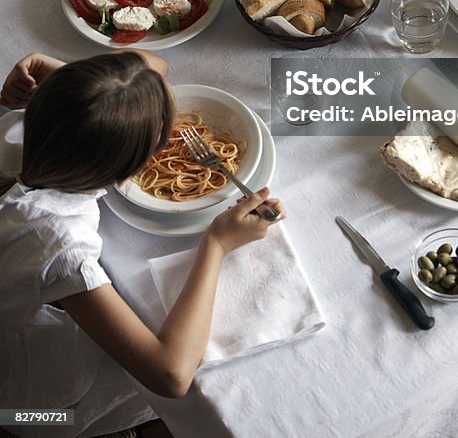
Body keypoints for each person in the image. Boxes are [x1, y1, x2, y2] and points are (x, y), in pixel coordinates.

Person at [0, 50, 285, 438]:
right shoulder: (60, 245)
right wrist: (216, 244)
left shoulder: (17, 130)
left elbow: (155, 65)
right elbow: (171, 375)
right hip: (27, 406)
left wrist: (84, 85)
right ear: (124, 175)